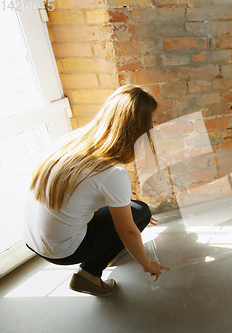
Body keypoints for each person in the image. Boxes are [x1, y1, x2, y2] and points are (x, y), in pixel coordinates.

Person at [24, 85, 169, 296]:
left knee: (134, 209)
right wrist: (147, 264)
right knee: (141, 214)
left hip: (32, 239)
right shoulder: (112, 172)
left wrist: (126, 202)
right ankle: (89, 275)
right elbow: (127, 232)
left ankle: (99, 253)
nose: (154, 130)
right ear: (138, 129)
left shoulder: (73, 141)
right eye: (152, 124)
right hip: (60, 251)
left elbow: (85, 187)